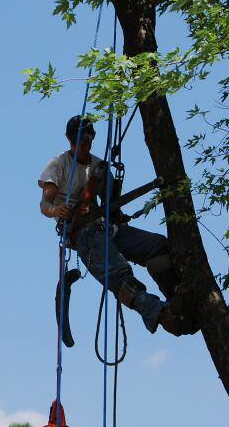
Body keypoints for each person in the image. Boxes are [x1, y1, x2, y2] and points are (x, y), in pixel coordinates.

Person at [38, 115, 189, 335]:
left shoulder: (99, 167)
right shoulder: (58, 165)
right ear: (69, 140)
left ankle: (176, 295)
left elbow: (111, 207)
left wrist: (116, 213)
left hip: (105, 226)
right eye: (77, 141)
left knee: (157, 245)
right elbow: (44, 203)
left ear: (92, 139)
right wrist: (56, 210)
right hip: (82, 233)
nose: (82, 146)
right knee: (119, 273)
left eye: (86, 141)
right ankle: (160, 314)